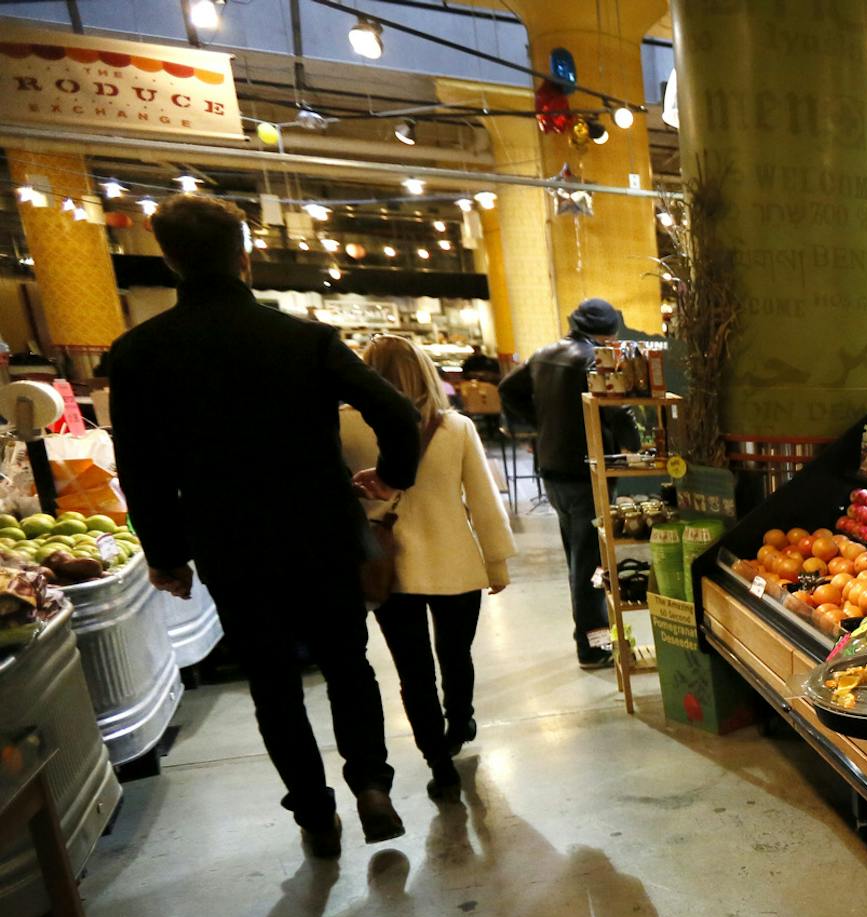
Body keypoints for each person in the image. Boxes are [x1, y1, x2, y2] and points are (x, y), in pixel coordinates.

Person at [107, 194, 421, 856]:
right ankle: (371, 784)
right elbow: (396, 411)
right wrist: (394, 475)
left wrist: (166, 553)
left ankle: (313, 811)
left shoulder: (140, 354)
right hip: (325, 531)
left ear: (169, 261)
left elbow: (141, 469)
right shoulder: (304, 339)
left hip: (232, 541)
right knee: (348, 666)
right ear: (244, 256)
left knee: (273, 684)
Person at [340, 336, 516, 802]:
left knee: (412, 671)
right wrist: (495, 561)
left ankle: (438, 761)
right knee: (455, 653)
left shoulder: (344, 427)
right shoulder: (454, 427)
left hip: (388, 567)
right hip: (454, 562)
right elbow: (482, 499)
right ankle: (460, 719)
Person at [498, 298, 636, 669]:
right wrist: (635, 446)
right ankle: (593, 645)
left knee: (577, 557)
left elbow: (507, 390)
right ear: (608, 331)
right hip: (587, 470)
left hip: (552, 469)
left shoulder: (543, 353)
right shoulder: (595, 357)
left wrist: (538, 426)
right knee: (590, 563)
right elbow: (617, 407)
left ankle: (591, 639)